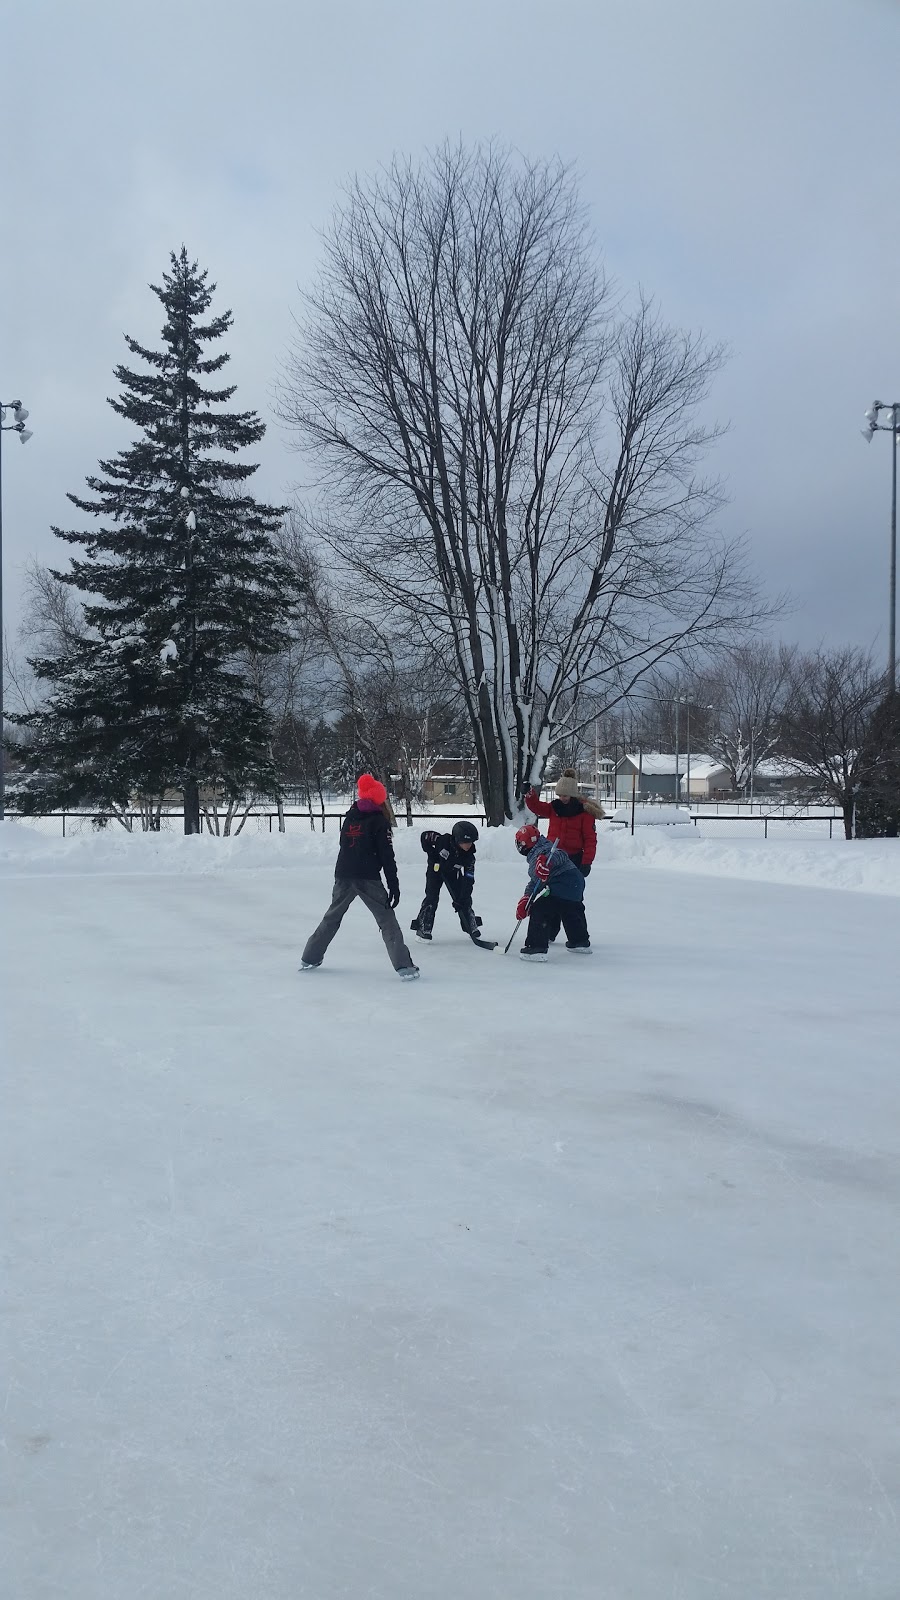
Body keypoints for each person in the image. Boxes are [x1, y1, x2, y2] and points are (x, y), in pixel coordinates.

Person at [301, 774, 419, 979]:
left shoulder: (350, 816)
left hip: (344, 875)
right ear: (379, 799)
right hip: (367, 878)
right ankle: (404, 966)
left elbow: (344, 847)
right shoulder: (379, 822)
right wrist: (394, 884)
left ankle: (309, 957)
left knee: (332, 917)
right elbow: (386, 855)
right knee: (387, 920)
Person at [524, 768, 603, 942]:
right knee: (551, 895)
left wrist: (586, 862)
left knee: (572, 900)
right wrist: (529, 796)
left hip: (573, 860)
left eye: (565, 796)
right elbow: (537, 807)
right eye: (559, 795)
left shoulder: (584, 813)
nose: (562, 799)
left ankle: (579, 937)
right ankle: (550, 932)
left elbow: (590, 839)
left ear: (573, 795)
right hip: (552, 858)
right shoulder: (555, 808)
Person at [513, 822, 591, 962]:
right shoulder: (541, 848)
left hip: (563, 884)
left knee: (540, 909)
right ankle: (579, 941)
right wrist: (527, 897)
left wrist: (548, 862)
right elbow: (537, 881)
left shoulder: (543, 851)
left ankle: (535, 948)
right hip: (576, 883)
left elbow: (560, 854)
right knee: (570, 909)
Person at [410, 819, 481, 941]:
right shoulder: (443, 840)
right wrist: (432, 854)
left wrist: (461, 899)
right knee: (432, 897)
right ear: (457, 839)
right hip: (436, 869)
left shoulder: (469, 858)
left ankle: (470, 925)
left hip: (453, 873)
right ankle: (423, 927)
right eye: (465, 842)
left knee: (464, 898)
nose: (468, 845)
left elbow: (469, 881)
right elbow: (424, 836)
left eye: (471, 842)